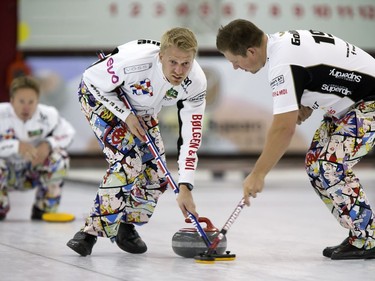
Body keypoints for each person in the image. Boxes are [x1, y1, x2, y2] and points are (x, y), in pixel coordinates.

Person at [216, 19, 375, 260]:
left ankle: (369, 237)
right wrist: (306, 101)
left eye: (235, 62)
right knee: (315, 164)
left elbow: (283, 129)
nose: (236, 68)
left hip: (369, 102)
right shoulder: (281, 44)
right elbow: (321, 72)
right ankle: (360, 235)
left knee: (329, 166)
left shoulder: (282, 62)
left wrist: (258, 173)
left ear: (251, 52)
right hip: (349, 105)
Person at [66, 27, 207, 256]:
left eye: (186, 63)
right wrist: (125, 116)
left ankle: (125, 225)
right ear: (160, 56)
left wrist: (186, 185)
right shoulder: (134, 63)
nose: (179, 70)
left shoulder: (196, 83)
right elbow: (91, 80)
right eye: (173, 62)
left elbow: (191, 137)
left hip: (142, 110)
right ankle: (89, 234)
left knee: (157, 174)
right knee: (129, 162)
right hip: (102, 97)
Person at [0, 76, 76, 221]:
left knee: (60, 158)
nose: (26, 107)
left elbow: (68, 133)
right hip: (5, 173)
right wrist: (15, 146)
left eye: (31, 102)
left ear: (38, 101)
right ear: (12, 100)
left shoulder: (49, 115)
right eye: (21, 101)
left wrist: (48, 144)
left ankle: (44, 208)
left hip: (33, 171)